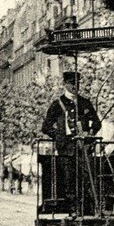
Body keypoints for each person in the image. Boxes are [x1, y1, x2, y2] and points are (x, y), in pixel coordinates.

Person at [41, 71, 102, 201]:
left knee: (88, 178)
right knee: (69, 180)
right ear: (65, 84)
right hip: (66, 149)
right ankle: (73, 210)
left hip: (83, 148)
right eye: (72, 83)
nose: (75, 86)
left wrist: (90, 133)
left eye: (77, 83)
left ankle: (89, 208)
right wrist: (59, 136)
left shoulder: (85, 103)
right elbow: (46, 127)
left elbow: (97, 123)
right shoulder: (57, 104)